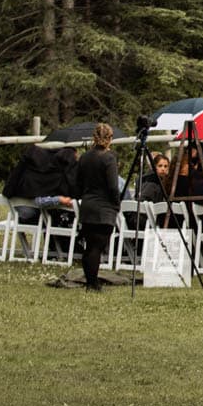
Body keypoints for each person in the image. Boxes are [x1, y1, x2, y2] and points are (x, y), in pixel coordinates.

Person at [73, 123, 120, 291]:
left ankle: (90, 280)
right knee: (97, 246)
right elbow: (113, 186)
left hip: (87, 204)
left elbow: (77, 183)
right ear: (110, 139)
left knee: (89, 245)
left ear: (94, 137)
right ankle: (93, 283)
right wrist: (116, 203)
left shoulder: (84, 157)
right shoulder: (109, 158)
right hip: (104, 206)